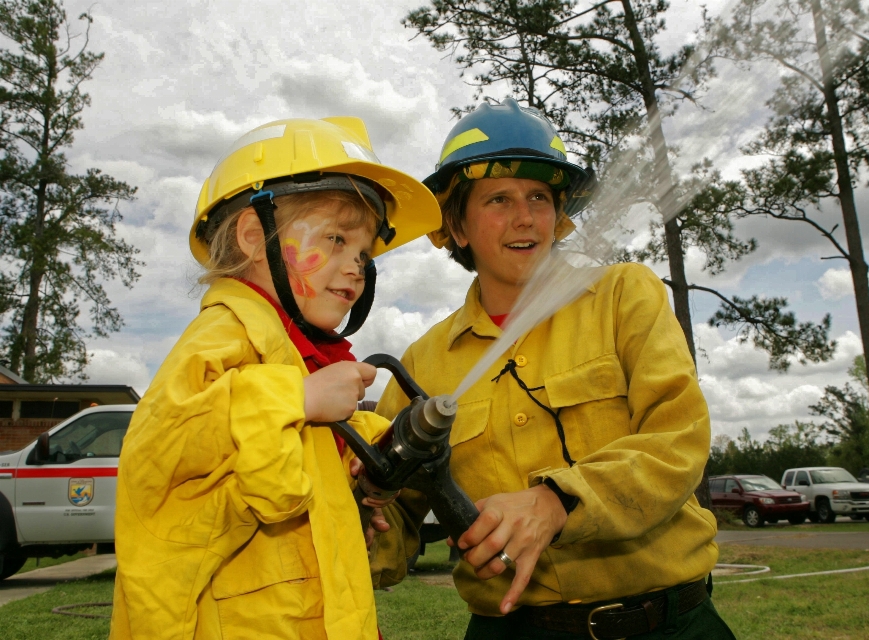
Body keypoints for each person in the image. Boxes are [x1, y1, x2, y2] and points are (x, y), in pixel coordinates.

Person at [372, 98, 736, 639]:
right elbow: (394, 516)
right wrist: (360, 524)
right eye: (499, 199)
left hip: (665, 624)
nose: (525, 218)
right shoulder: (421, 364)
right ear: (458, 226)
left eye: (539, 198)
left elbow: (677, 439)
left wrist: (557, 501)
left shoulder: (623, 296)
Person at [110, 118, 441, 640]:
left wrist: (355, 466)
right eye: (335, 239)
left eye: (363, 252)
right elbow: (163, 454)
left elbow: (270, 466)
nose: (356, 266)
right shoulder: (222, 336)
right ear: (251, 235)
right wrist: (299, 397)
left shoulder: (296, 354)